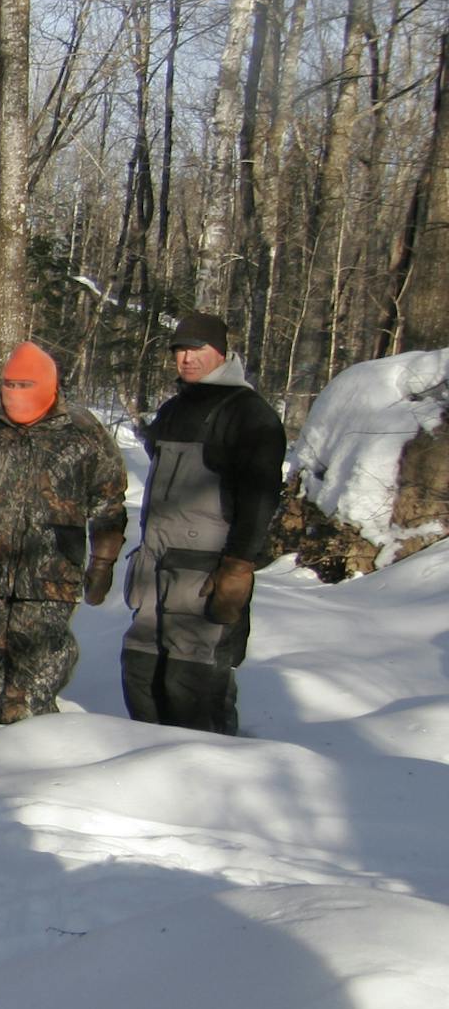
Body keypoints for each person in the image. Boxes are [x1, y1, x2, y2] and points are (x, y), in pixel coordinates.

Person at [0, 342, 128, 735]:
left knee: (39, 673)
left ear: (48, 386)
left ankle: (29, 754)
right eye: (8, 384)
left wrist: (103, 561)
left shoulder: (83, 432)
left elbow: (108, 500)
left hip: (50, 576)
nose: (15, 393)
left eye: (25, 384)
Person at [122, 312, 286, 734]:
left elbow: (260, 498)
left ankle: (210, 776)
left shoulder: (250, 414)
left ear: (222, 352)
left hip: (205, 574)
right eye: (179, 350)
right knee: (140, 673)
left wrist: (238, 566)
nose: (186, 358)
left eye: (197, 349)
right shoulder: (174, 409)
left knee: (192, 684)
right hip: (155, 566)